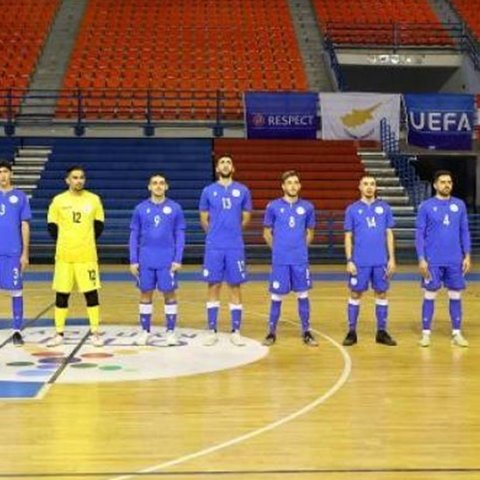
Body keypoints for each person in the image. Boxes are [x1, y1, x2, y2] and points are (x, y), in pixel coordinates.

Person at [46, 165, 104, 347]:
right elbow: (52, 226)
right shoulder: (58, 200)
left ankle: (95, 332)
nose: (79, 180)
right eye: (75, 177)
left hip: (87, 256)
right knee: (62, 294)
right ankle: (59, 333)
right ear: (67, 180)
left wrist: (84, 241)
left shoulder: (93, 200)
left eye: (81, 177)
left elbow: (99, 225)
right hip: (64, 256)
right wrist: (67, 241)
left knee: (91, 294)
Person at [199, 154, 252, 346]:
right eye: (222, 162)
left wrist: (234, 233)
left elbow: (246, 217)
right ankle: (212, 329)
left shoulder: (243, 190)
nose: (225, 165)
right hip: (214, 246)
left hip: (234, 246)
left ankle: (236, 330)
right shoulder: (208, 191)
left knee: (235, 285)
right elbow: (204, 218)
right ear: (217, 169)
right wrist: (213, 234)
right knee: (213, 285)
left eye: (229, 162)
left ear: (233, 167)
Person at [415, 170, 471, 348]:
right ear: (435, 185)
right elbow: (420, 234)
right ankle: (426, 334)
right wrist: (422, 258)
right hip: (433, 260)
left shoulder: (460, 205)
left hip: (455, 259)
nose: (447, 185)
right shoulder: (426, 206)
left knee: (456, 295)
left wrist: (467, 255)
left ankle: (456, 333)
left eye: (449, 182)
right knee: (430, 294)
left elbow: (464, 231)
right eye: (443, 182)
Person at [262, 170, 318, 346]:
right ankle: (271, 332)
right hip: (280, 260)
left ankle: (306, 331)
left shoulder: (308, 207)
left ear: (299, 186)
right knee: (276, 296)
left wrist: (300, 249)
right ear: (283, 186)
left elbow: (310, 232)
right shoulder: (273, 206)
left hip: (299, 260)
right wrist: (278, 250)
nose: (293, 185)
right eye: (289, 183)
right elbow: (266, 233)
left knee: (303, 294)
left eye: (295, 182)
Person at [129, 173, 186, 346]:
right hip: (146, 259)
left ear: (166, 186)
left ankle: (170, 331)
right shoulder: (140, 208)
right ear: (149, 187)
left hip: (167, 260)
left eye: (161, 183)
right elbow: (134, 235)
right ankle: (145, 331)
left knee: (169, 294)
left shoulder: (175, 208)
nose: (158, 186)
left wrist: (178, 258)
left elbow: (180, 234)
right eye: (155, 183)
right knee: (145, 293)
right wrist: (133, 260)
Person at [342, 174, 397, 346]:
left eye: (372, 184)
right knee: (355, 293)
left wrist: (392, 259)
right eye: (365, 184)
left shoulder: (384, 208)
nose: (369, 187)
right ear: (359, 187)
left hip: (380, 260)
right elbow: (348, 236)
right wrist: (349, 260)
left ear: (376, 187)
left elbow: (389, 234)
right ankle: (352, 332)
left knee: (381, 293)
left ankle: (381, 331)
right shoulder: (352, 209)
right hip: (360, 261)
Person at [0, 160, 31, 346]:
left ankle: (17, 330)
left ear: (10, 174)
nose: (2, 175)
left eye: (5, 171)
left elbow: (25, 225)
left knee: (16, 290)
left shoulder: (20, 196)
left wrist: (25, 253)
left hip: (13, 252)